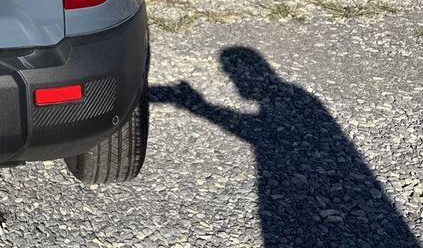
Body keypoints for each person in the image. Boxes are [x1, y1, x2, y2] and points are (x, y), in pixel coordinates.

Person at [153, 47, 419, 248]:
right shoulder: (298, 98)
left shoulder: (295, 99)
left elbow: (255, 131)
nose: (234, 80)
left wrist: (199, 106)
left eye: (231, 73)